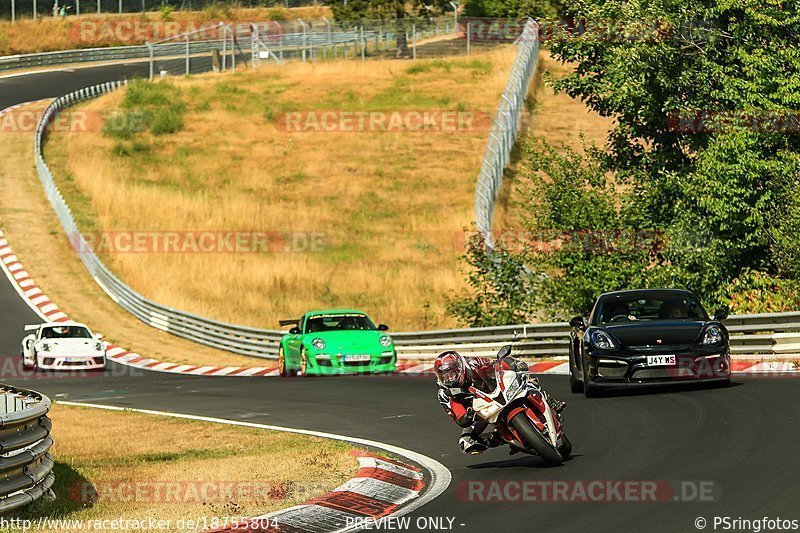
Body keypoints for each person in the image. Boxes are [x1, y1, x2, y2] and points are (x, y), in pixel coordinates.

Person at [434, 349, 566, 455]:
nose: (449, 379)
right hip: (479, 412)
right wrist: (466, 417)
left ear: (459, 368)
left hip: (495, 392)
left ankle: (550, 400)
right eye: (444, 376)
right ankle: (501, 439)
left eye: (452, 373)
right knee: (466, 443)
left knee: (526, 379)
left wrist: (510, 364)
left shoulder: (472, 363)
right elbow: (458, 416)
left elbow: (494, 365)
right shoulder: (445, 394)